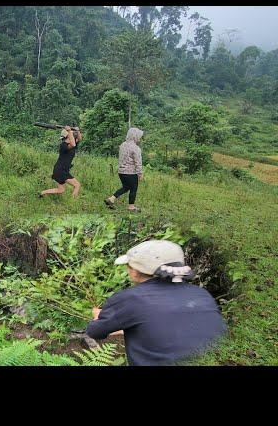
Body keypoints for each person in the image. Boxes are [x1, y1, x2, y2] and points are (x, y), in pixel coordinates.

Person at [86, 240, 227, 366]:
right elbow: (172, 329)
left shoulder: (131, 298)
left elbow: (95, 331)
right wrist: (127, 327)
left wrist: (99, 318)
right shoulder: (201, 294)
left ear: (134, 271)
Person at [105, 127, 144, 212]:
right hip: (131, 172)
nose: (140, 138)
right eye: (139, 136)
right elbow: (138, 162)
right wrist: (140, 174)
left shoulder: (122, 145)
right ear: (135, 136)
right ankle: (131, 206)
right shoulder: (136, 148)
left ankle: (111, 199)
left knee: (126, 187)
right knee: (133, 189)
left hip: (121, 172)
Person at [39, 126, 83, 199]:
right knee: (77, 185)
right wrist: (69, 131)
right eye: (71, 135)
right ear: (67, 136)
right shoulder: (64, 146)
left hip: (61, 170)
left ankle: (42, 193)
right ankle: (73, 201)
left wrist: (78, 131)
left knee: (61, 190)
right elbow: (73, 144)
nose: (73, 136)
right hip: (61, 170)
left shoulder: (72, 144)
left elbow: (79, 139)